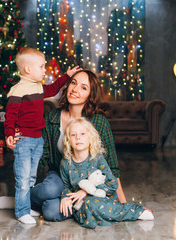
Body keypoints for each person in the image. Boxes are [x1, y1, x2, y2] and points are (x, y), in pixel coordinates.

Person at [30, 69, 127, 221]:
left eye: (83, 87)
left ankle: (69, 204)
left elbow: (112, 166)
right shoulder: (52, 117)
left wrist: (123, 205)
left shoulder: (98, 122)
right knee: (50, 188)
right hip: (59, 177)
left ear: (90, 95)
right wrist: (22, 146)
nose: (75, 89)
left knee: (50, 212)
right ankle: (21, 201)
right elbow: (43, 157)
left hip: (87, 182)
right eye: (73, 83)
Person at [4, 47, 81, 224]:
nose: (44, 70)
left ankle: (26, 205)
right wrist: (9, 133)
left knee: (31, 176)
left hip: (38, 139)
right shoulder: (17, 91)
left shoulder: (38, 87)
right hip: (23, 140)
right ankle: (21, 211)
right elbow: (10, 116)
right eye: (41, 66)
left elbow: (53, 89)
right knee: (23, 178)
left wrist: (67, 76)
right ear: (28, 69)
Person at [59, 117, 154, 229]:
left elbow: (112, 184)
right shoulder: (65, 163)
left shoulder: (97, 158)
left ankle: (134, 210)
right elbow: (66, 186)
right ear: (68, 140)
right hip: (81, 206)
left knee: (92, 203)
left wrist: (85, 191)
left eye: (83, 134)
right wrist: (65, 198)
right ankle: (101, 215)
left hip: (103, 199)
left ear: (91, 138)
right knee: (85, 207)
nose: (78, 137)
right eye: (73, 135)